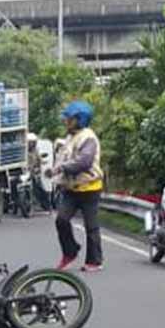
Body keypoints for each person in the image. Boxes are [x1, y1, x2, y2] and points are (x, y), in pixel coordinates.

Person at [50, 100, 105, 272]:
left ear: (80, 120)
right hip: (71, 189)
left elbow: (84, 161)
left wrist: (62, 168)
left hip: (89, 188)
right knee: (61, 220)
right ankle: (70, 252)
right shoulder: (70, 137)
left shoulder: (88, 138)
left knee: (91, 226)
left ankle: (94, 261)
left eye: (70, 118)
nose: (66, 121)